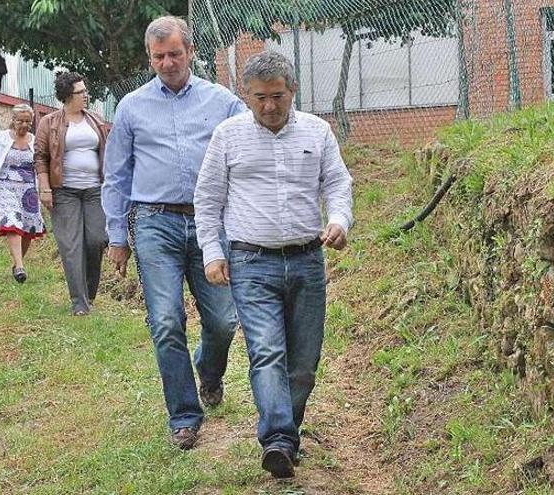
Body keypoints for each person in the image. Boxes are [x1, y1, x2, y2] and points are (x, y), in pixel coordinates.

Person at [194, 50, 354, 479]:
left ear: (293, 91)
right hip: (251, 261)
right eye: (260, 97)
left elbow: (338, 183)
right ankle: (278, 439)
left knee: (303, 363)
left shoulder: (318, 133)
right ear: (246, 95)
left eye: (278, 96)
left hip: (306, 260)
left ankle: (289, 431)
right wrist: (212, 252)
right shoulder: (228, 136)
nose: (269, 106)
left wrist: (338, 221)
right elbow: (208, 200)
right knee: (266, 352)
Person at [102, 15, 246, 450]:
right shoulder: (131, 107)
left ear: (191, 52)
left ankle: (208, 369)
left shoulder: (223, 102)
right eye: (158, 56)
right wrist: (117, 237)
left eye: (174, 54)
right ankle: (184, 415)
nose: (167, 63)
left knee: (222, 320)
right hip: (154, 221)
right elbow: (116, 175)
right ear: (150, 58)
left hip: (209, 223)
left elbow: (251, 143)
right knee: (166, 321)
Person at [34, 72, 111, 315]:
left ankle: (88, 293)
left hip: (94, 191)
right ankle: (79, 302)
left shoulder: (95, 120)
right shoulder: (50, 123)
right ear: (68, 95)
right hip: (64, 192)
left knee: (96, 240)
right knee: (71, 246)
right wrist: (45, 188)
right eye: (81, 92)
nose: (86, 95)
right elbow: (41, 157)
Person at [0, 103, 45, 283]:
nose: (24, 125)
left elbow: (41, 164)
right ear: (13, 121)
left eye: (28, 122)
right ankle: (20, 266)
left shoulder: (35, 140)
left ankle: (17, 264)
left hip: (29, 188)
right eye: (20, 121)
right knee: (12, 221)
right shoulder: (0, 138)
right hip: (6, 185)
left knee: (28, 228)